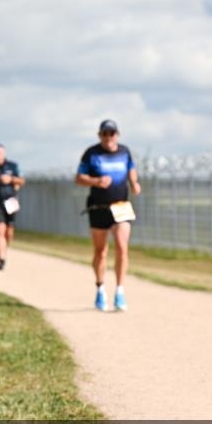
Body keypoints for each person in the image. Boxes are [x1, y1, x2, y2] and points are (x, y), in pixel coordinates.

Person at [75, 119, 141, 311]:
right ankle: (100, 287)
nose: (108, 137)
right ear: (99, 135)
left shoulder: (124, 151)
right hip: (98, 207)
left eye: (111, 133)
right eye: (104, 133)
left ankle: (120, 291)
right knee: (101, 251)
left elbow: (132, 171)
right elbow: (78, 178)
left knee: (122, 247)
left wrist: (135, 183)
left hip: (121, 205)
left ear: (117, 135)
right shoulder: (91, 153)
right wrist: (96, 181)